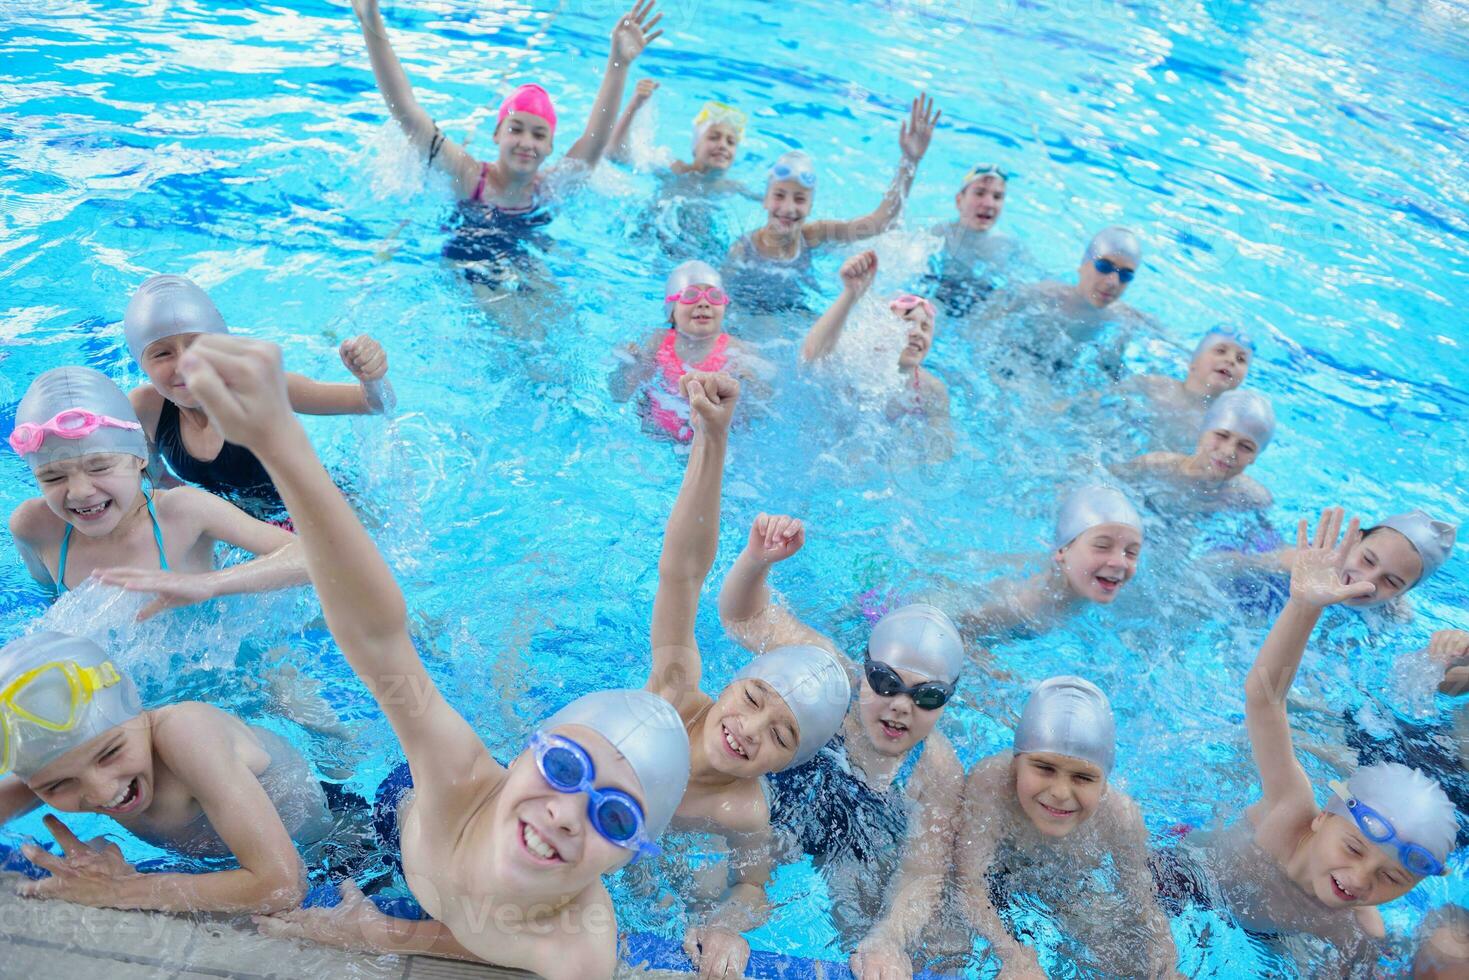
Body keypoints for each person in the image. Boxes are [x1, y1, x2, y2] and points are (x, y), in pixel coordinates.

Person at [170, 333, 689, 978]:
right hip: (397, 815)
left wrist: (389, 932)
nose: (563, 813)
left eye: (615, 816)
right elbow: (378, 638)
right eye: (562, 766)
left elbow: (492, 931)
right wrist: (281, 443)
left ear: (630, 853)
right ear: (528, 750)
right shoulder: (458, 777)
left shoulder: (580, 947)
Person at [1152, 508, 1458, 970]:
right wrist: (1305, 604)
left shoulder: (1356, 927)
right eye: (1354, 847)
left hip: (1266, 933)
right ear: (1322, 819)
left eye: (1392, 877)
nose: (1358, 880)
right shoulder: (1290, 812)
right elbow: (1264, 698)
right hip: (1186, 878)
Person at [633, 372, 850, 978]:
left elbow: (754, 889)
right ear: (731, 682)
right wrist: (712, 435)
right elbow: (681, 575)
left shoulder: (743, 812)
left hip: (654, 847)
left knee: (700, 885)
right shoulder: (673, 696)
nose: (749, 728)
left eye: (780, 736)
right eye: (753, 697)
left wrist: (723, 927)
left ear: (785, 765)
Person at [718, 512, 964, 979]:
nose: (900, 707)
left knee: (886, 931)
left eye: (927, 696)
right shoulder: (829, 675)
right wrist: (757, 561)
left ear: (946, 702)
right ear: (865, 670)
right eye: (886, 682)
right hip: (782, 802)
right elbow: (741, 617)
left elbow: (922, 872)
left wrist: (889, 937)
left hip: (861, 835)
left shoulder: (937, 767)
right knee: (734, 871)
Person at [0, 631, 333, 913]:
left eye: (110, 753)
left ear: (136, 704)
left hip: (328, 846)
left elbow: (281, 885)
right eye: (58, 785)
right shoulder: (64, 758)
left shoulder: (187, 734)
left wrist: (119, 891)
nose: (101, 792)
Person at [352, 0, 662, 301]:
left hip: (524, 258)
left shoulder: (548, 189)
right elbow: (406, 111)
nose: (527, 142)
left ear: (550, 147)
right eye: (516, 129)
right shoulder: (469, 177)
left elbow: (595, 139)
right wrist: (371, 22)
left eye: (539, 135)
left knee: (561, 317)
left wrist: (618, 64)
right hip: (466, 264)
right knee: (509, 316)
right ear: (497, 134)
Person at [8, 366, 307, 619]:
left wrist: (213, 583)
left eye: (100, 468)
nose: (80, 491)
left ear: (140, 458)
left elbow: (308, 558)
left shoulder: (184, 512)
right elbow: (51, 602)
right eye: (53, 476)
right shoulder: (35, 527)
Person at [957, 676, 1179, 978]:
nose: (1061, 792)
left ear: (1103, 785)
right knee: (949, 945)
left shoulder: (1122, 817)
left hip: (1067, 883)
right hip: (997, 872)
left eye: (1083, 778)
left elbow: (1143, 901)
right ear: (1015, 763)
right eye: (1044, 768)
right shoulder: (990, 785)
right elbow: (968, 885)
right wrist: (1012, 954)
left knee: (1123, 962)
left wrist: (1167, 961)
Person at [123, 274, 390, 515]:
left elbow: (372, 404)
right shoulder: (145, 409)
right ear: (141, 364)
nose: (184, 363)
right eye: (162, 353)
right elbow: (156, 482)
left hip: (318, 508)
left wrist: (373, 378)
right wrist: (217, 517)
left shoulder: (261, 386)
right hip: (243, 522)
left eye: (197, 345)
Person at [722, 95, 940, 314]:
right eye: (779, 196)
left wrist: (910, 160)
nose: (788, 208)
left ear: (810, 206)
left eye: (799, 199)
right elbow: (722, 304)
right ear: (765, 200)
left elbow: (881, 222)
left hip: (797, 312)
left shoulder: (813, 235)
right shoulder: (742, 250)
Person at [952, 484, 1144, 641]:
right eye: (1102, 546)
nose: (1120, 562)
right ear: (1062, 550)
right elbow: (957, 631)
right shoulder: (1025, 602)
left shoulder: (1086, 587)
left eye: (1131, 552)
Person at [609, 260, 768, 442]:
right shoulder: (657, 341)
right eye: (690, 295)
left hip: (715, 439)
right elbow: (619, 395)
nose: (703, 303)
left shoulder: (737, 349)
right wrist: (630, 366)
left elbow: (762, 406)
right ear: (671, 310)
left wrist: (750, 383)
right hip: (659, 436)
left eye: (714, 296)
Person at [1213, 508, 1456, 620]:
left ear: (1405, 592)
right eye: (1368, 559)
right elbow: (1224, 564)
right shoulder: (1302, 563)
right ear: (1352, 541)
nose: (1367, 581)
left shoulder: (1395, 614)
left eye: (1391, 581)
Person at [801, 250, 951, 430]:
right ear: (882, 330)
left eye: (925, 327)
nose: (918, 332)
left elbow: (942, 450)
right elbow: (811, 356)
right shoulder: (855, 365)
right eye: (908, 323)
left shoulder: (931, 389)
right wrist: (851, 294)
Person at [987, 226, 1149, 385]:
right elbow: (982, 332)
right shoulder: (1038, 297)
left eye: (1126, 275)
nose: (1113, 281)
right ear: (1083, 265)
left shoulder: (1125, 320)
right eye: (1104, 267)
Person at [1080, 325, 1253, 451]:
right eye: (1220, 351)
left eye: (1241, 360)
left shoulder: (1226, 422)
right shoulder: (1154, 386)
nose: (1231, 361)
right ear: (1193, 362)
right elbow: (1098, 399)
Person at [1112, 388, 1275, 512]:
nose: (1228, 451)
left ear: (1255, 457)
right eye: (1222, 435)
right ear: (1202, 431)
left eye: (1246, 447)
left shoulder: (1252, 498)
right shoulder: (1155, 466)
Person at [926, 164, 1025, 317]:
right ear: (959, 200)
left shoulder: (1010, 246)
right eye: (979, 193)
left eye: (997, 197)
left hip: (982, 313)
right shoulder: (940, 234)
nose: (988, 204)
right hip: (938, 301)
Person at [609, 83, 749, 184]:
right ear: (695, 146)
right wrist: (634, 106)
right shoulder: (675, 170)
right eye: (714, 137)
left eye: (731, 142)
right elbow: (617, 155)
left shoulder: (731, 189)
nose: (723, 145)